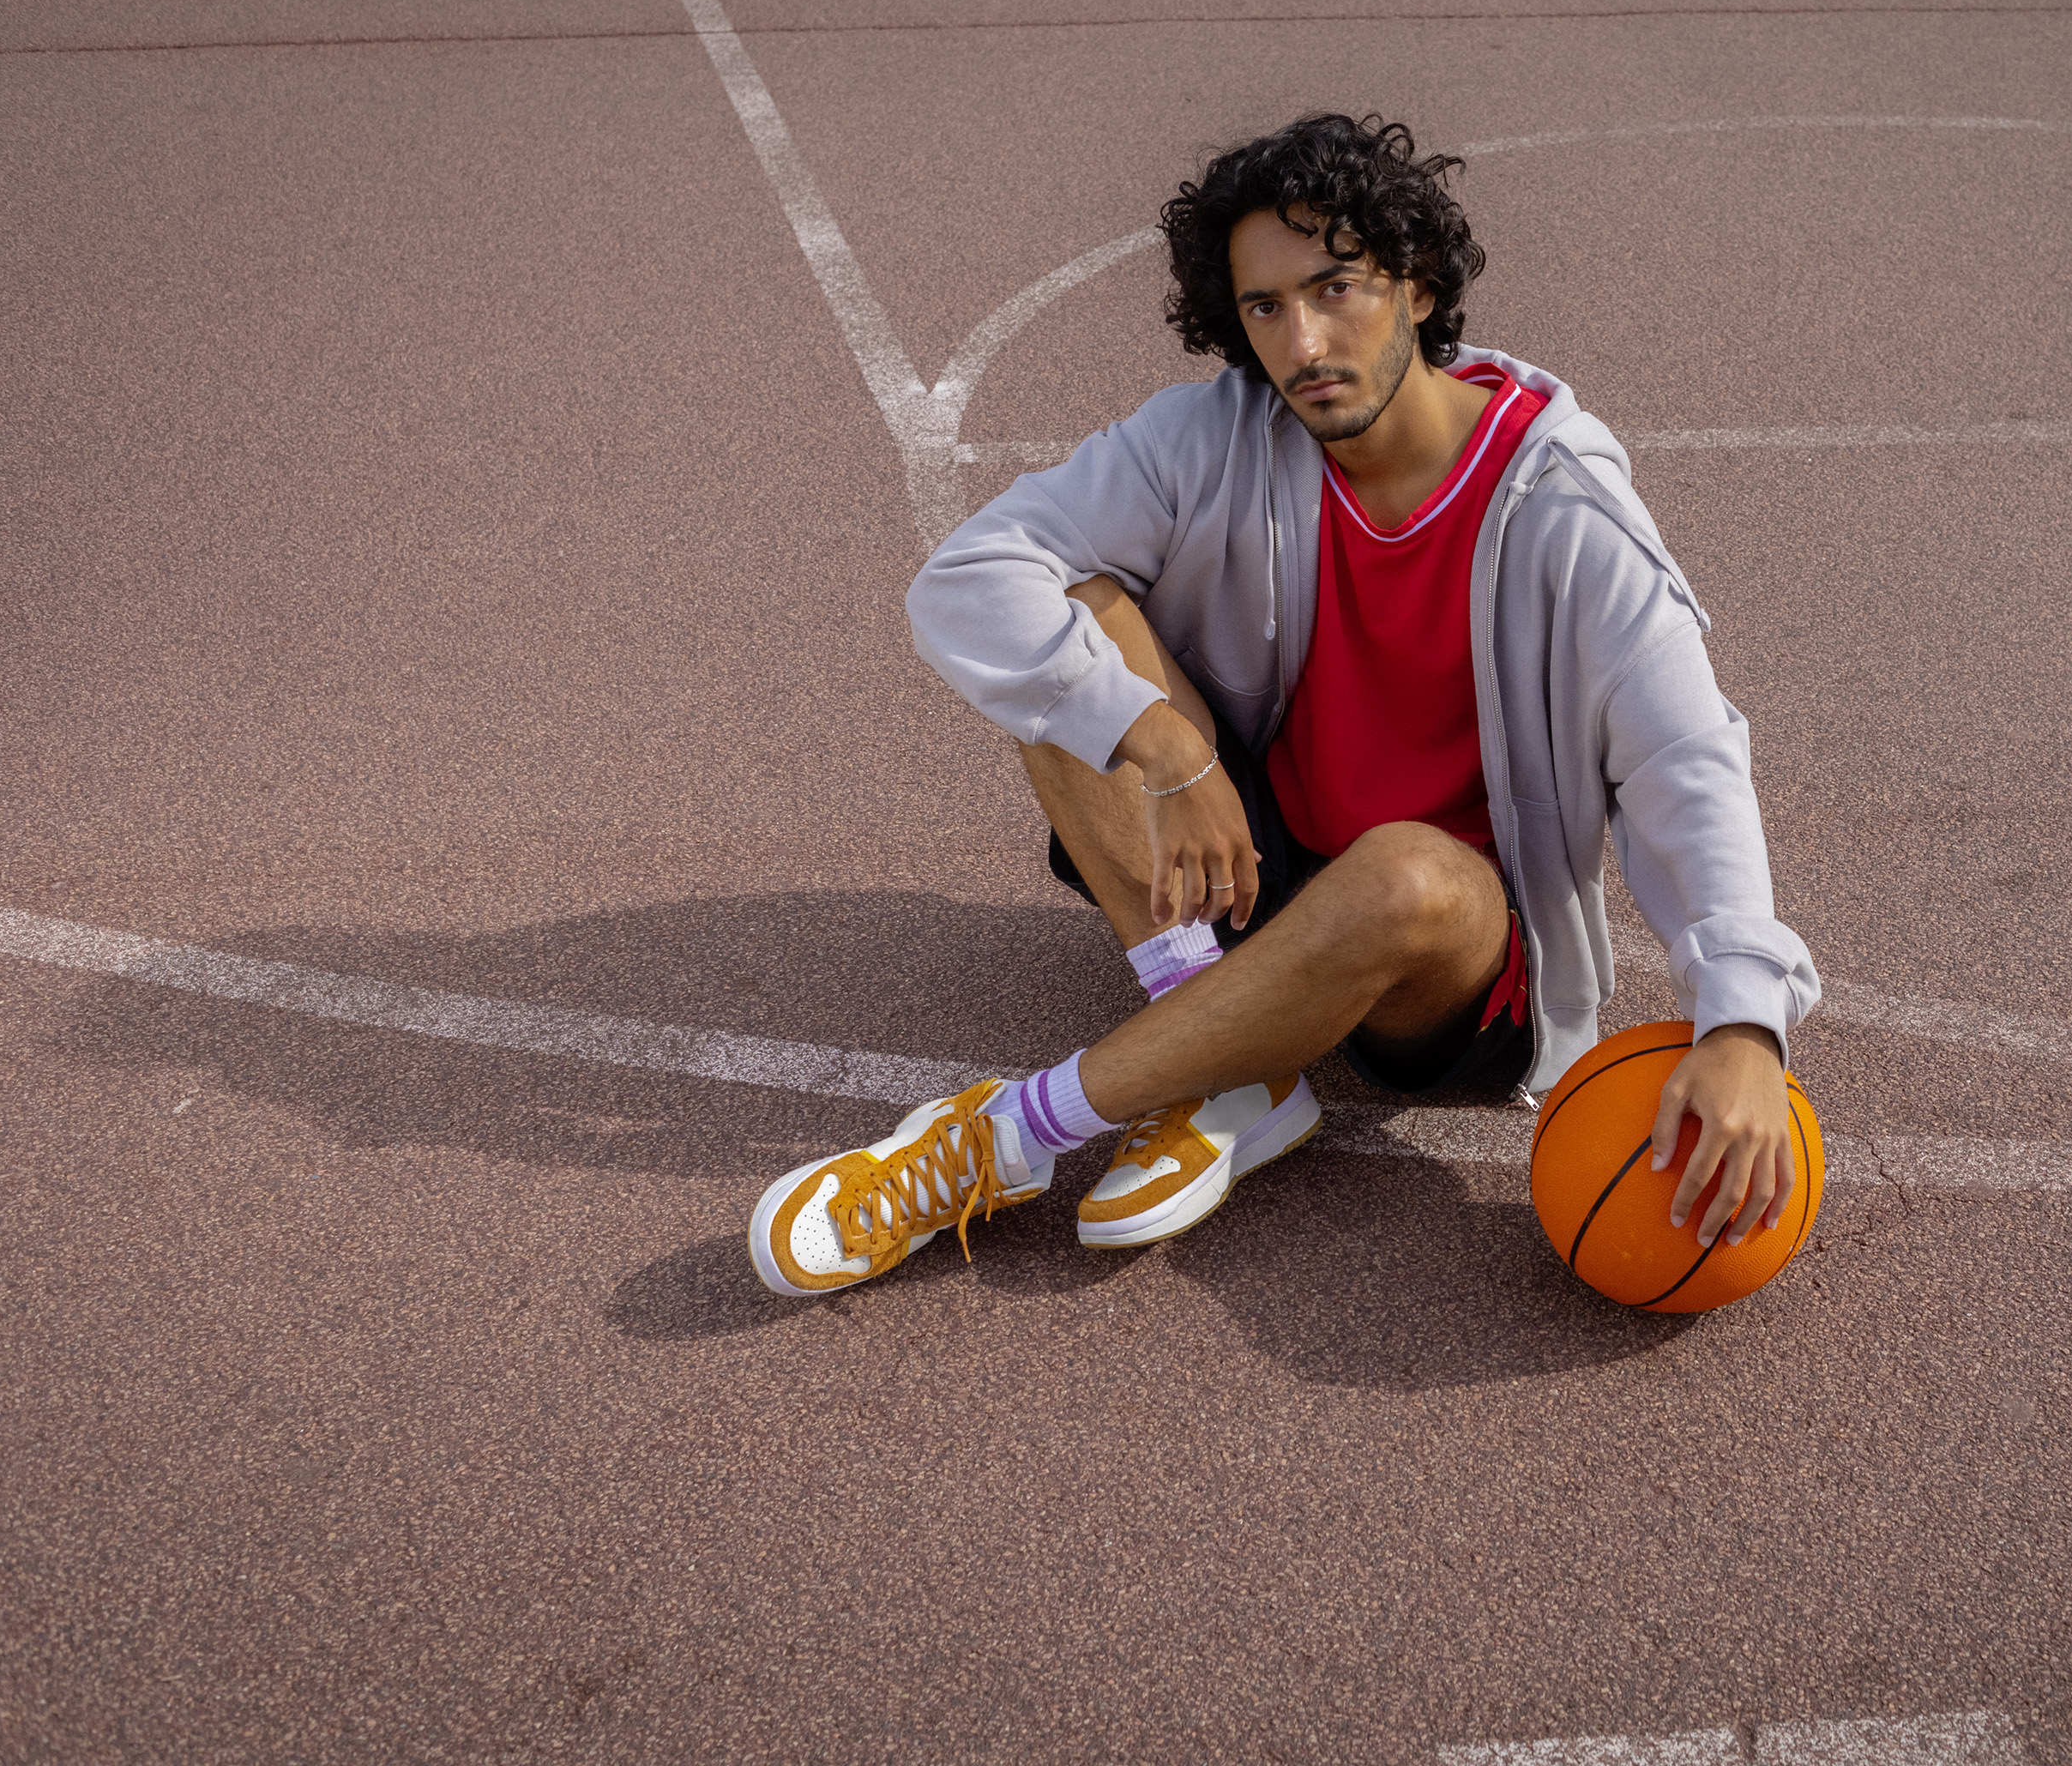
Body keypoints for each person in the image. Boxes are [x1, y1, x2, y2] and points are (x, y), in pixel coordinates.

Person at [747, 113, 1820, 1296]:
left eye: (1336, 289)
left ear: (1414, 286)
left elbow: (1685, 756)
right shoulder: (1215, 436)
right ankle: (1226, 1061)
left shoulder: (1560, 503)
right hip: (1252, 867)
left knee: (1406, 874)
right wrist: (1163, 747)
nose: (1303, 343)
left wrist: (1741, 1024)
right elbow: (966, 580)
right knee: (1076, 613)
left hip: (1450, 964)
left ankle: (1007, 1137)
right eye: (1264, 308)